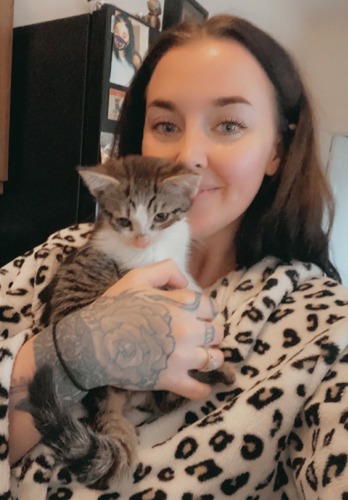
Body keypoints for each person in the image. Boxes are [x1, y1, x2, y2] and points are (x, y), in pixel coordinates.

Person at [2, 14, 348, 499]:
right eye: (165, 123)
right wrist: (70, 355)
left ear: (277, 150)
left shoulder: (321, 330)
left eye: (229, 124)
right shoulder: (56, 255)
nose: (189, 157)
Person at [109, 12, 142, 87]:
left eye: (124, 36)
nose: (119, 38)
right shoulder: (108, 55)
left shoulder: (134, 61)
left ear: (129, 39)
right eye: (116, 32)